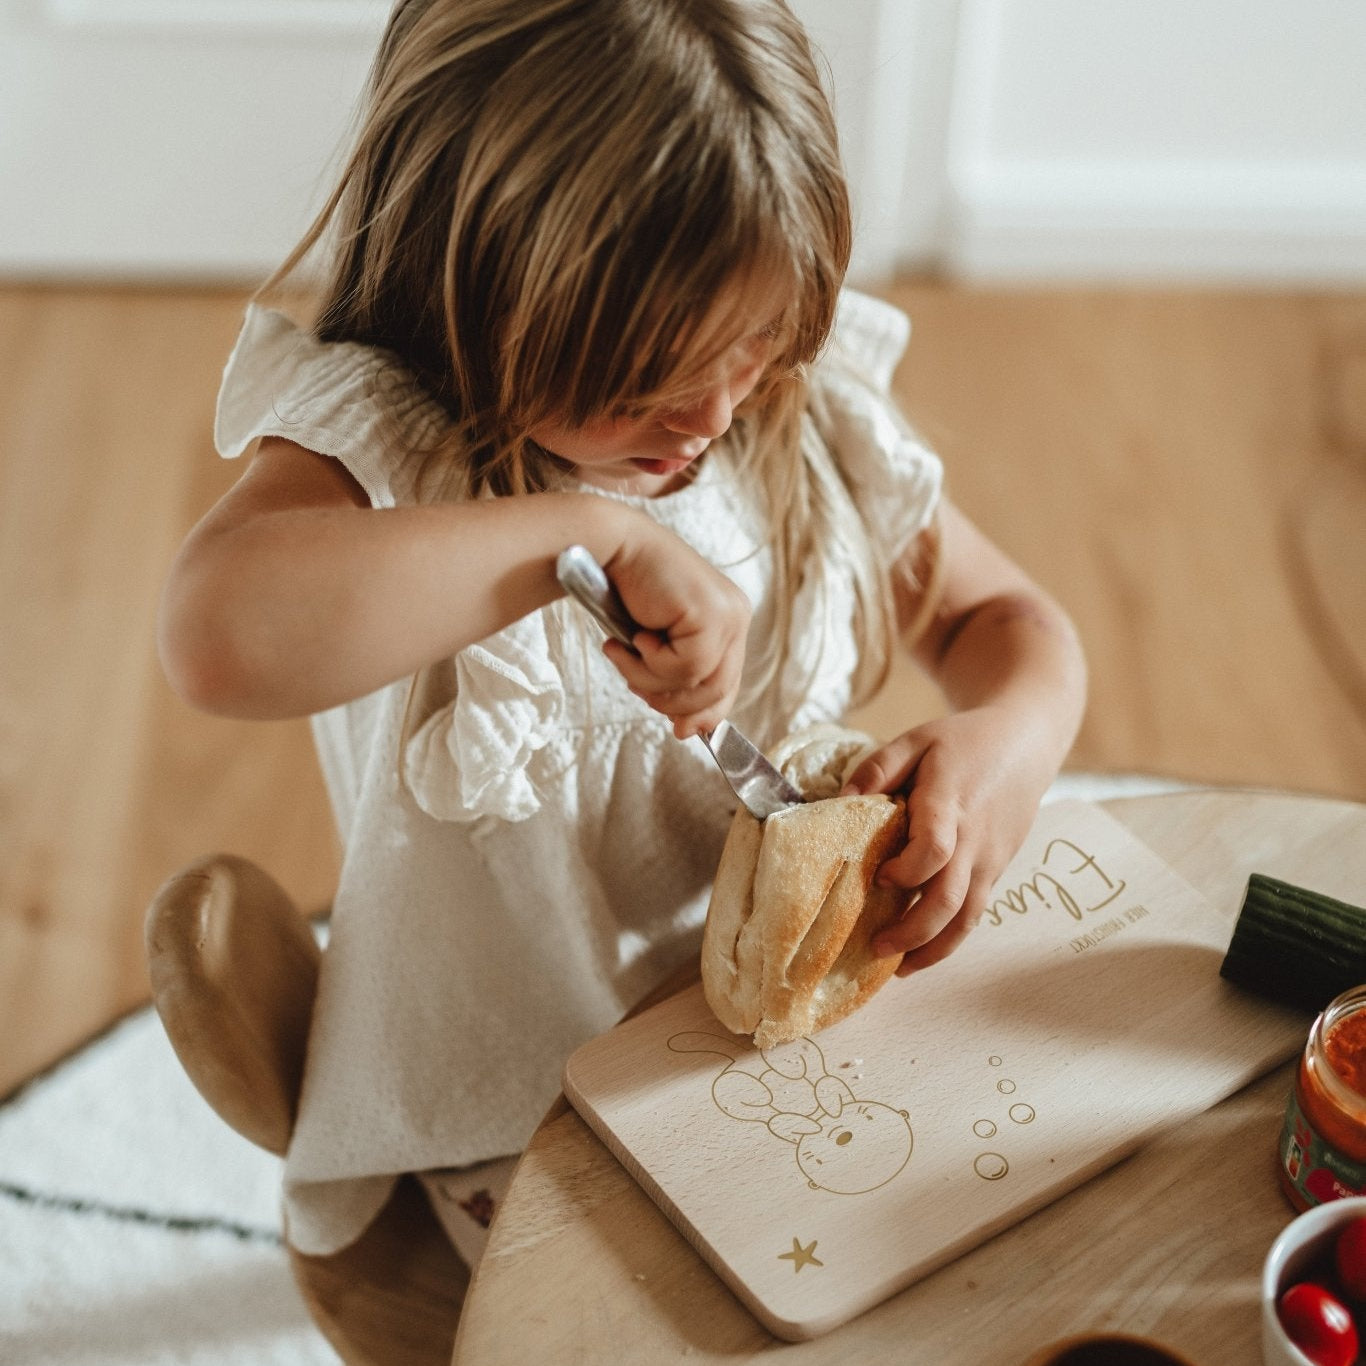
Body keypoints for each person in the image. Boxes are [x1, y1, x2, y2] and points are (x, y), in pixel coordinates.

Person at [158, 0, 1086, 1265]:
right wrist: (578, 534)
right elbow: (215, 634)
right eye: (647, 377)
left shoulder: (790, 418)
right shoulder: (395, 445)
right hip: (519, 1107)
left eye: (753, 347)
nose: (710, 415)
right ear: (472, 276)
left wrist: (1005, 747)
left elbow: (1006, 621)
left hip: (767, 1037)